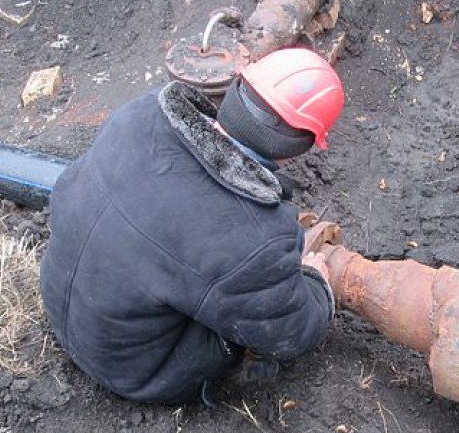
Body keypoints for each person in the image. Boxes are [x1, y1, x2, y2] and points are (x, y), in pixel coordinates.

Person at [39, 47, 345, 405]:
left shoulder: (140, 114)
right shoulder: (253, 237)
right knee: (250, 328)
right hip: (136, 370)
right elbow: (291, 333)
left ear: (239, 86)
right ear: (302, 143)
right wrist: (315, 283)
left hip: (62, 300)